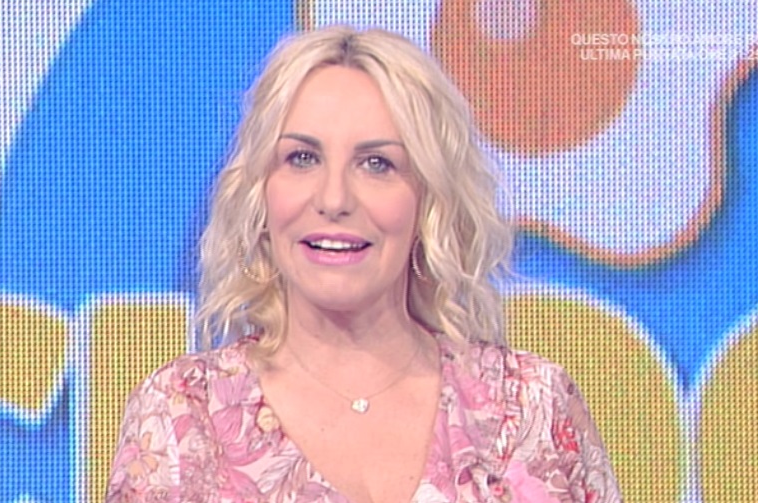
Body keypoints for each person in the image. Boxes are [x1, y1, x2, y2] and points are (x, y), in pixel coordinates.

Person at [105, 25, 621, 503]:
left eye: (377, 164)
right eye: (302, 158)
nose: (334, 199)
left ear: (429, 199)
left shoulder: (530, 408)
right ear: (261, 193)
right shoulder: (184, 415)